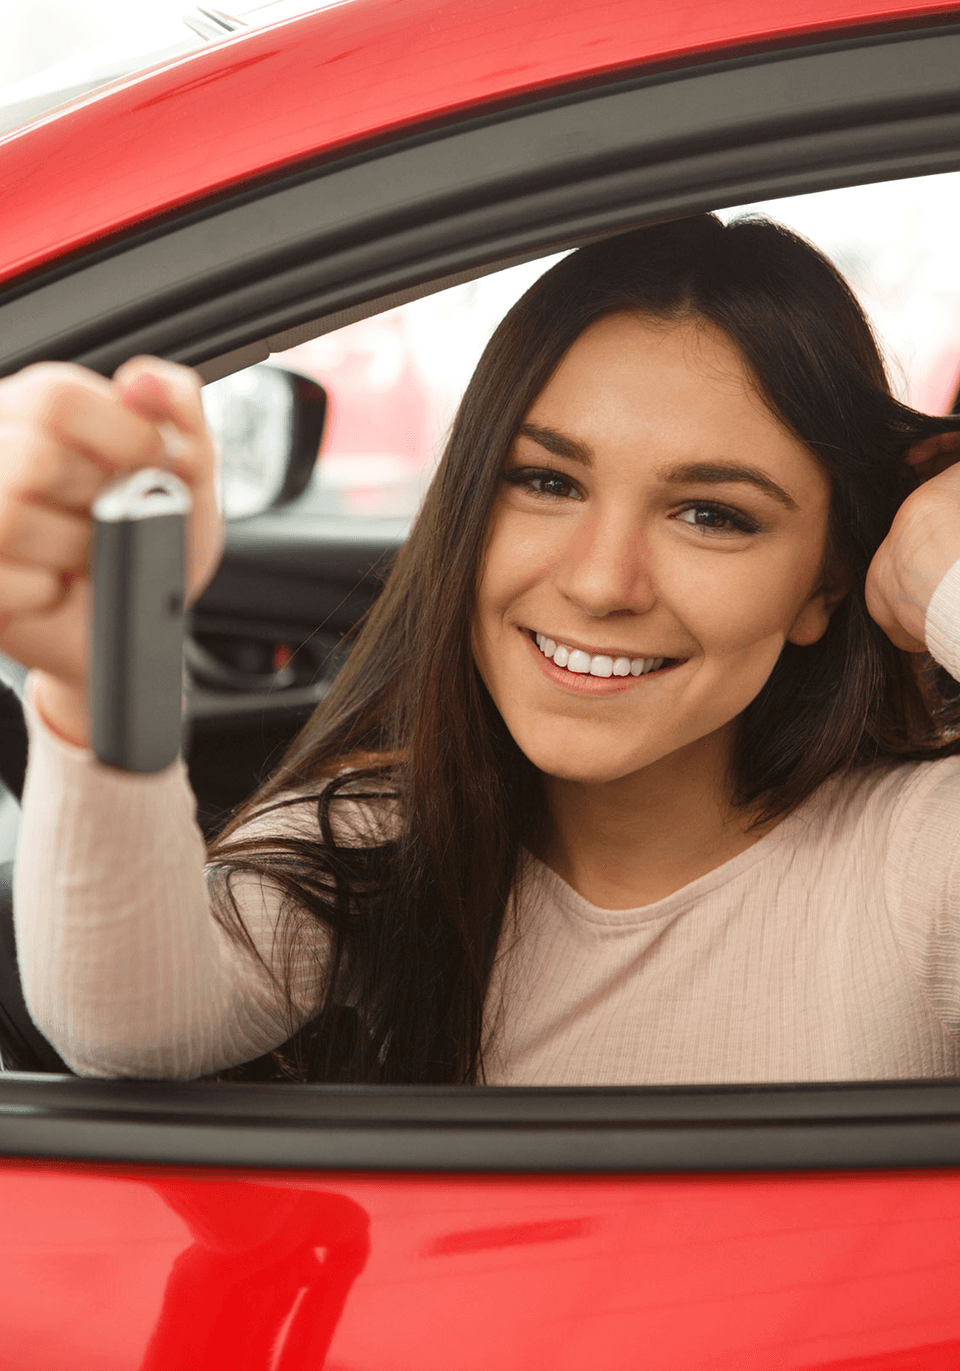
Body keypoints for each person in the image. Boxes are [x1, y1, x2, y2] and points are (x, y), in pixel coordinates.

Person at [4, 213, 960, 1085]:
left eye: (711, 514)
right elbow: (127, 1029)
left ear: (824, 584)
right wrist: (97, 671)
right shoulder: (379, 835)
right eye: (546, 482)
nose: (599, 581)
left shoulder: (922, 857)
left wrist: (950, 572)